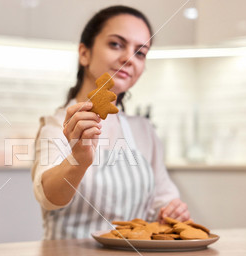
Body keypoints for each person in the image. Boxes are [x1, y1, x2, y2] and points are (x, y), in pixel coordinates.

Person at [31, 5, 190, 240]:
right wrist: (79, 159)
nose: (129, 58)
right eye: (116, 44)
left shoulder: (144, 131)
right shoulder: (55, 126)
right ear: (84, 53)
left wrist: (173, 210)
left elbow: (163, 201)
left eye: (141, 52)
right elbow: (50, 198)